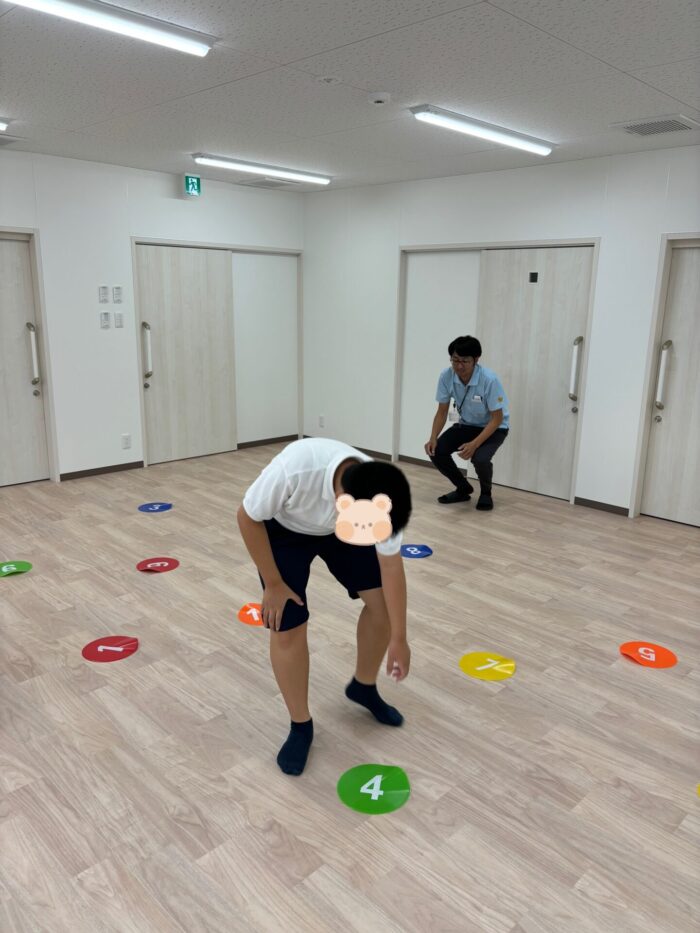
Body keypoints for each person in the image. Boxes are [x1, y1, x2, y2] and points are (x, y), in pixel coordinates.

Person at [237, 437, 412, 776]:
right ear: (339, 502)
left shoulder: (384, 499)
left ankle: (363, 687)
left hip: (342, 533)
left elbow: (391, 566)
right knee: (286, 623)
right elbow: (247, 517)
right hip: (285, 529)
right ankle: (301, 725)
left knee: (384, 608)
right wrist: (273, 584)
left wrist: (400, 638)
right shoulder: (295, 468)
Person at [424, 335, 509, 511]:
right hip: (466, 425)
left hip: (494, 428)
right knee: (436, 450)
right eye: (455, 360)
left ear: (476, 360)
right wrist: (433, 437)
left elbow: (497, 418)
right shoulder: (446, 376)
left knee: (480, 458)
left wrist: (474, 444)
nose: (459, 366)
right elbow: (442, 411)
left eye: (465, 361)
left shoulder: (489, 379)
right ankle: (463, 488)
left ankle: (486, 493)